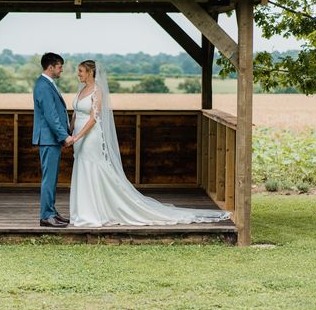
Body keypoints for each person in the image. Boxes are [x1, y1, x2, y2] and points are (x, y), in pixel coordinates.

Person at [69, 60, 231, 227]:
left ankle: (93, 212)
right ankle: (83, 209)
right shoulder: (81, 90)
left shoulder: (97, 90)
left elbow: (94, 118)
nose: (78, 74)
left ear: (90, 72)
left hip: (89, 137)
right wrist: (70, 132)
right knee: (82, 168)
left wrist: (77, 136)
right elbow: (75, 114)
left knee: (92, 169)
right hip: (77, 137)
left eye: (80, 71)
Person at [32, 52, 74, 228]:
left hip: (51, 139)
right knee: (49, 179)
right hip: (49, 139)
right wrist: (64, 136)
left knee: (53, 178)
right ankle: (46, 216)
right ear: (50, 67)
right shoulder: (43, 86)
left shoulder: (48, 84)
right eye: (59, 67)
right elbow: (51, 116)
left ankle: (52, 212)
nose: (61, 70)